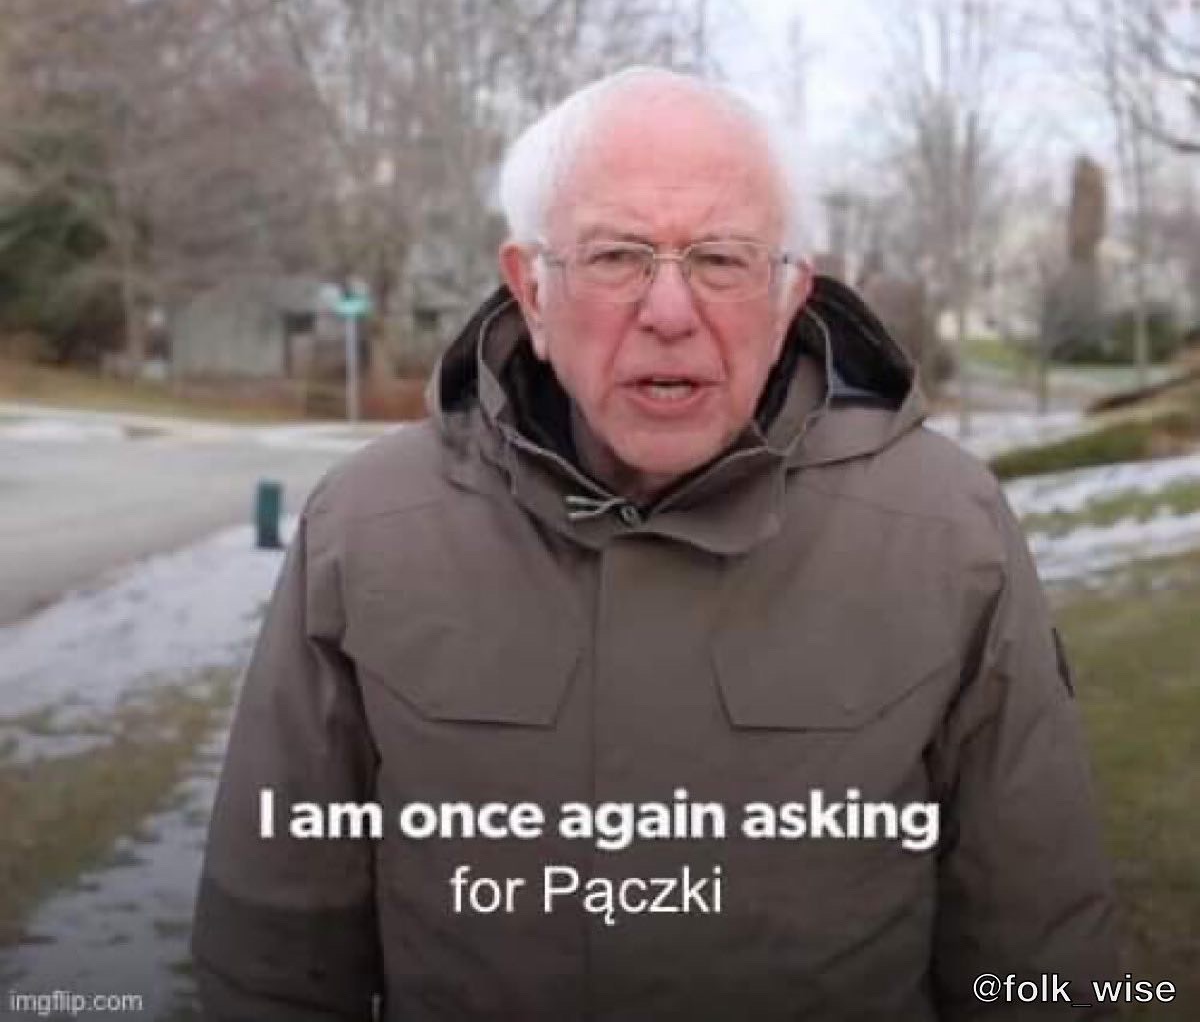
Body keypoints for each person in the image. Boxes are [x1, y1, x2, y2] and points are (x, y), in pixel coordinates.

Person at [192, 67, 1119, 1020]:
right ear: (533, 290)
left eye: (720, 259)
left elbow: (1043, 950)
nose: (670, 313)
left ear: (790, 292)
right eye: (616, 257)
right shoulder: (367, 530)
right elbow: (273, 956)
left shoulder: (945, 532)